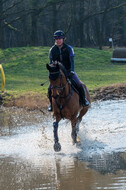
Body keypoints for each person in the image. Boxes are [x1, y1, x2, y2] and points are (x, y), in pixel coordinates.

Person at [47, 30, 89, 111]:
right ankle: (51, 104)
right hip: (58, 73)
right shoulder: (52, 50)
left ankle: (84, 100)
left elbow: (72, 61)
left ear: (63, 39)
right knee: (50, 88)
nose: (58, 40)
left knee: (79, 84)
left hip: (69, 71)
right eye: (56, 39)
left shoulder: (69, 48)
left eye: (60, 38)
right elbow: (50, 63)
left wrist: (72, 71)